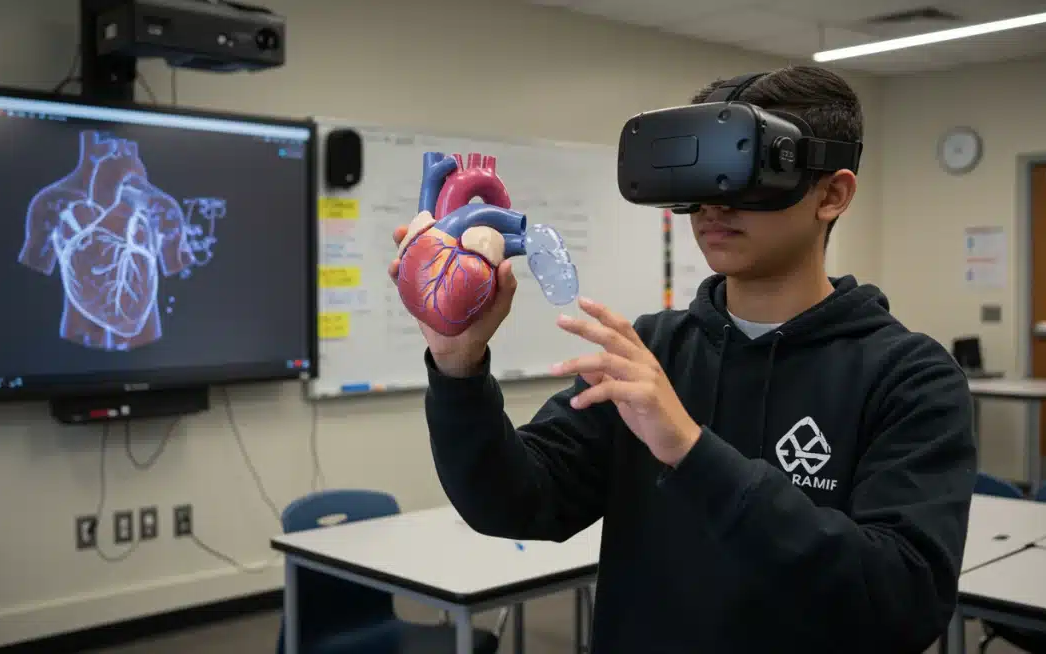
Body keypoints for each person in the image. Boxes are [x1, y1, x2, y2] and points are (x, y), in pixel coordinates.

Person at [388, 65, 976, 653]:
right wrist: (458, 366)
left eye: (743, 173)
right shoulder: (651, 353)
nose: (714, 205)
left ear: (831, 194)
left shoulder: (911, 379)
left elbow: (903, 601)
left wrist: (691, 453)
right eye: (698, 178)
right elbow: (512, 504)